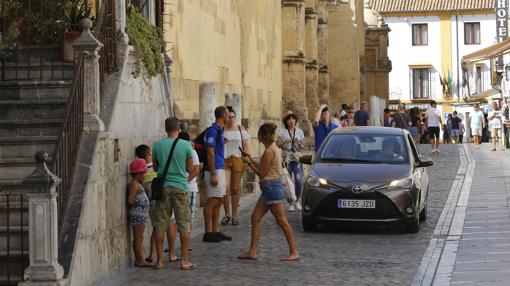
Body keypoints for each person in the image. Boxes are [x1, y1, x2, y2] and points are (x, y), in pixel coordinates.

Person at [238, 123, 300, 261]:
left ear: (261, 137)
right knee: (255, 218)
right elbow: (263, 166)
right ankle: (252, 251)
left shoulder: (268, 151)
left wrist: (248, 163)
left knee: (282, 221)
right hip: (269, 189)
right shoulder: (274, 148)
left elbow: (261, 173)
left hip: (271, 188)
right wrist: (251, 159)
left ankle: (294, 251)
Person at [152, 117, 195, 270]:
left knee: (160, 224)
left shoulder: (157, 145)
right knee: (184, 224)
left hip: (163, 188)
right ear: (179, 129)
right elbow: (190, 169)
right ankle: (184, 261)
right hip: (180, 187)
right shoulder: (186, 145)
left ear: (165, 128)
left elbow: (156, 168)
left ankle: (159, 261)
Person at [164, 131, 201, 261]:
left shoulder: (172, 149)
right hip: (187, 187)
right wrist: (185, 182)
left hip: (175, 185)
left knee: (173, 219)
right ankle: (183, 253)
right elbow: (195, 170)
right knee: (185, 220)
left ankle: (172, 250)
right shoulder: (191, 151)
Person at [203, 106, 232, 242]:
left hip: (220, 167)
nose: (229, 117)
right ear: (224, 116)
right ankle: (208, 231)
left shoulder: (219, 131)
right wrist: (213, 173)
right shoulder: (212, 131)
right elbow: (210, 152)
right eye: (227, 115)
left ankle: (215, 230)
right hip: (214, 169)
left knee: (219, 199)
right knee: (212, 200)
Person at [222, 106, 250, 226]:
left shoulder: (240, 129)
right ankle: (227, 214)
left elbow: (246, 145)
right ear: (225, 117)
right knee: (226, 188)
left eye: (234, 117)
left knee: (235, 188)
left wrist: (248, 159)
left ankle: (234, 216)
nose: (232, 119)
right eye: (230, 117)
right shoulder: (222, 130)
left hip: (238, 160)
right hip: (225, 160)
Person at [134, 145, 159, 264]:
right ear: (149, 153)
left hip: (145, 201)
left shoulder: (141, 169)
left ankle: (150, 253)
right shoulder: (155, 167)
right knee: (157, 226)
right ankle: (153, 253)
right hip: (155, 197)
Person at [276, 113, 305, 212]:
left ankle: (297, 201)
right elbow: (277, 144)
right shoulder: (282, 132)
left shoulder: (300, 132)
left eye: (293, 119)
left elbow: (303, 146)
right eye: (289, 119)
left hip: (296, 160)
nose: (291, 121)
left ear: (295, 121)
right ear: (286, 121)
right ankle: (290, 203)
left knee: (298, 181)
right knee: (288, 183)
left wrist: (299, 143)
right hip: (287, 160)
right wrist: (284, 142)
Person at [127, 159, 150, 267]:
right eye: (143, 173)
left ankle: (140, 259)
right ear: (139, 173)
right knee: (138, 237)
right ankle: (140, 260)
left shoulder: (136, 184)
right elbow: (130, 200)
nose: (144, 176)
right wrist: (139, 204)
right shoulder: (134, 185)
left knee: (140, 237)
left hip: (140, 215)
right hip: (137, 214)